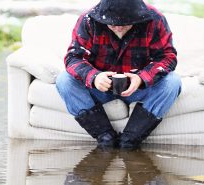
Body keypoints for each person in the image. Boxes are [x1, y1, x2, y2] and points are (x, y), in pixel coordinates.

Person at [56, 0, 181, 149]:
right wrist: (93, 76)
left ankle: (130, 140)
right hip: (100, 88)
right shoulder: (88, 19)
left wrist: (142, 78)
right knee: (64, 80)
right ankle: (105, 136)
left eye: (125, 24)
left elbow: (168, 57)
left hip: (138, 88)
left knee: (173, 82)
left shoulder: (155, 19)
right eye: (113, 24)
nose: (119, 28)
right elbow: (73, 57)